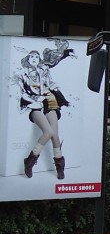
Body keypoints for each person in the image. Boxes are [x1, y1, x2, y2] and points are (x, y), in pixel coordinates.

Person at [16, 46, 73, 180]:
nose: (34, 59)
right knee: (48, 132)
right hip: (35, 104)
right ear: (28, 59)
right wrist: (34, 99)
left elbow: (53, 63)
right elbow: (22, 94)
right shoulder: (23, 73)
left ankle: (60, 165)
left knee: (55, 135)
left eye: (37, 56)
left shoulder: (44, 69)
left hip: (50, 102)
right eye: (32, 56)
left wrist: (65, 54)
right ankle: (30, 160)